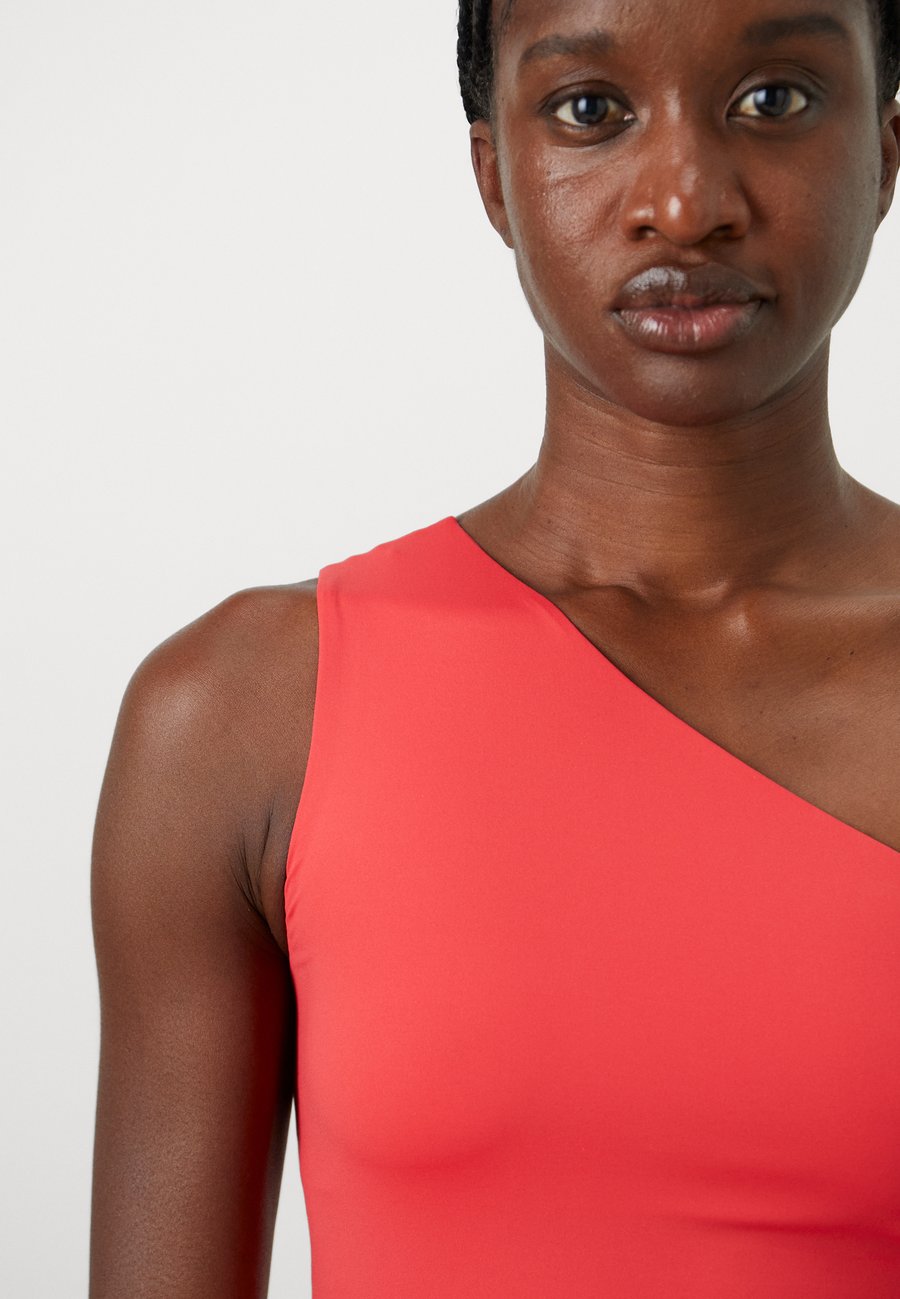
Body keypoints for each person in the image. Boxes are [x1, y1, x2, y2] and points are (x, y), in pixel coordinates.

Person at [89, 0, 900, 1295]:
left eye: (775, 100)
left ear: (886, 155)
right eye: (591, 110)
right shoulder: (243, 720)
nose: (686, 204)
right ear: (495, 176)